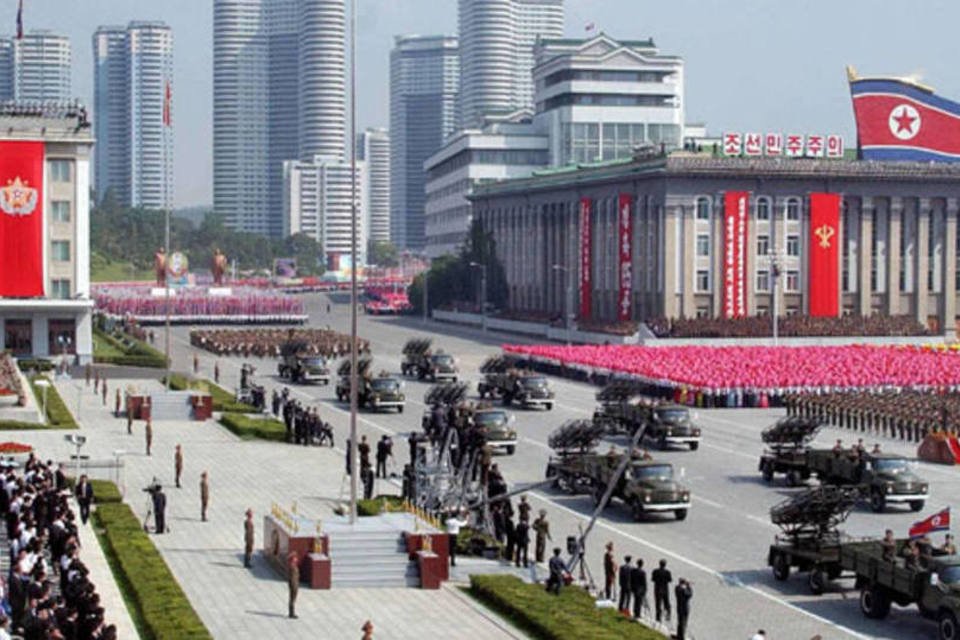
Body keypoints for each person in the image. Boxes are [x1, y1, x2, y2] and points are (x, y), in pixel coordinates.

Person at [652, 559, 672, 623]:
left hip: (657, 589)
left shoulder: (655, 571)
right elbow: (670, 580)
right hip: (665, 589)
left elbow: (653, 579)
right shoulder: (667, 572)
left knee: (658, 604)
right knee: (666, 603)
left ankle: (658, 617)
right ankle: (668, 615)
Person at [287, 551, 299, 618]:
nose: (296, 559)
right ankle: (291, 613)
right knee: (292, 599)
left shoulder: (293, 566)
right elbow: (292, 578)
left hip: (295, 584)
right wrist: (294, 586)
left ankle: (291, 612)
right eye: (295, 558)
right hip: (293, 585)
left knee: (293, 598)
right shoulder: (292, 567)